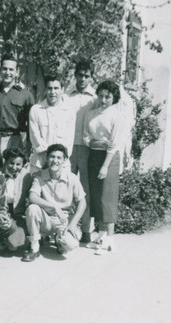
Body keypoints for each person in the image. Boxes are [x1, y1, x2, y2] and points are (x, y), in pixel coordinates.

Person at [22, 144, 86, 262]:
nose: (55, 161)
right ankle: (34, 247)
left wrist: (73, 224)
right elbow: (32, 196)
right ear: (47, 158)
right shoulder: (40, 176)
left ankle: (59, 240)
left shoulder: (72, 178)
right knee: (32, 209)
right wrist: (54, 207)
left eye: (59, 158)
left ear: (64, 160)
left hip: (64, 221)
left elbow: (82, 201)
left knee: (70, 245)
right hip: (47, 220)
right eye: (52, 157)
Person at [83, 80, 125, 255]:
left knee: (107, 197)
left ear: (114, 97)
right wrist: (97, 141)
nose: (103, 99)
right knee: (96, 196)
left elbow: (114, 143)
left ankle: (110, 239)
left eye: (108, 96)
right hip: (94, 155)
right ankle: (100, 235)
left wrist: (105, 166)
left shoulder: (117, 115)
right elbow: (85, 137)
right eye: (101, 95)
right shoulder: (91, 114)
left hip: (109, 158)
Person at [66, 59, 97, 244]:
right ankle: (65, 229)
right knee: (65, 189)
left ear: (91, 77)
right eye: (80, 75)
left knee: (85, 191)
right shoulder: (66, 96)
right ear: (75, 75)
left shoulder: (94, 98)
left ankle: (86, 230)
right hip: (68, 148)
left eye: (86, 76)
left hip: (86, 149)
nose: (83, 79)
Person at [28, 74, 76, 173]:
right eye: (49, 88)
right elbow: (35, 137)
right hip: (40, 162)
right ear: (45, 90)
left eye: (56, 88)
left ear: (62, 90)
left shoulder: (69, 112)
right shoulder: (36, 109)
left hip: (61, 163)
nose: (52, 92)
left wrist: (57, 158)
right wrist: (49, 156)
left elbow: (69, 140)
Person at [0, 54, 34, 159]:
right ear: (0, 70)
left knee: (14, 172)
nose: (8, 73)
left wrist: (29, 144)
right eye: (4, 69)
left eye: (11, 69)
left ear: (17, 72)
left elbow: (31, 122)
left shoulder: (25, 95)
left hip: (15, 139)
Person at [1, 147, 32, 250]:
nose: (14, 167)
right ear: (5, 161)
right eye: (11, 163)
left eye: (18, 164)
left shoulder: (26, 176)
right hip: (2, 211)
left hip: (17, 214)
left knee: (14, 245)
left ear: (23, 164)